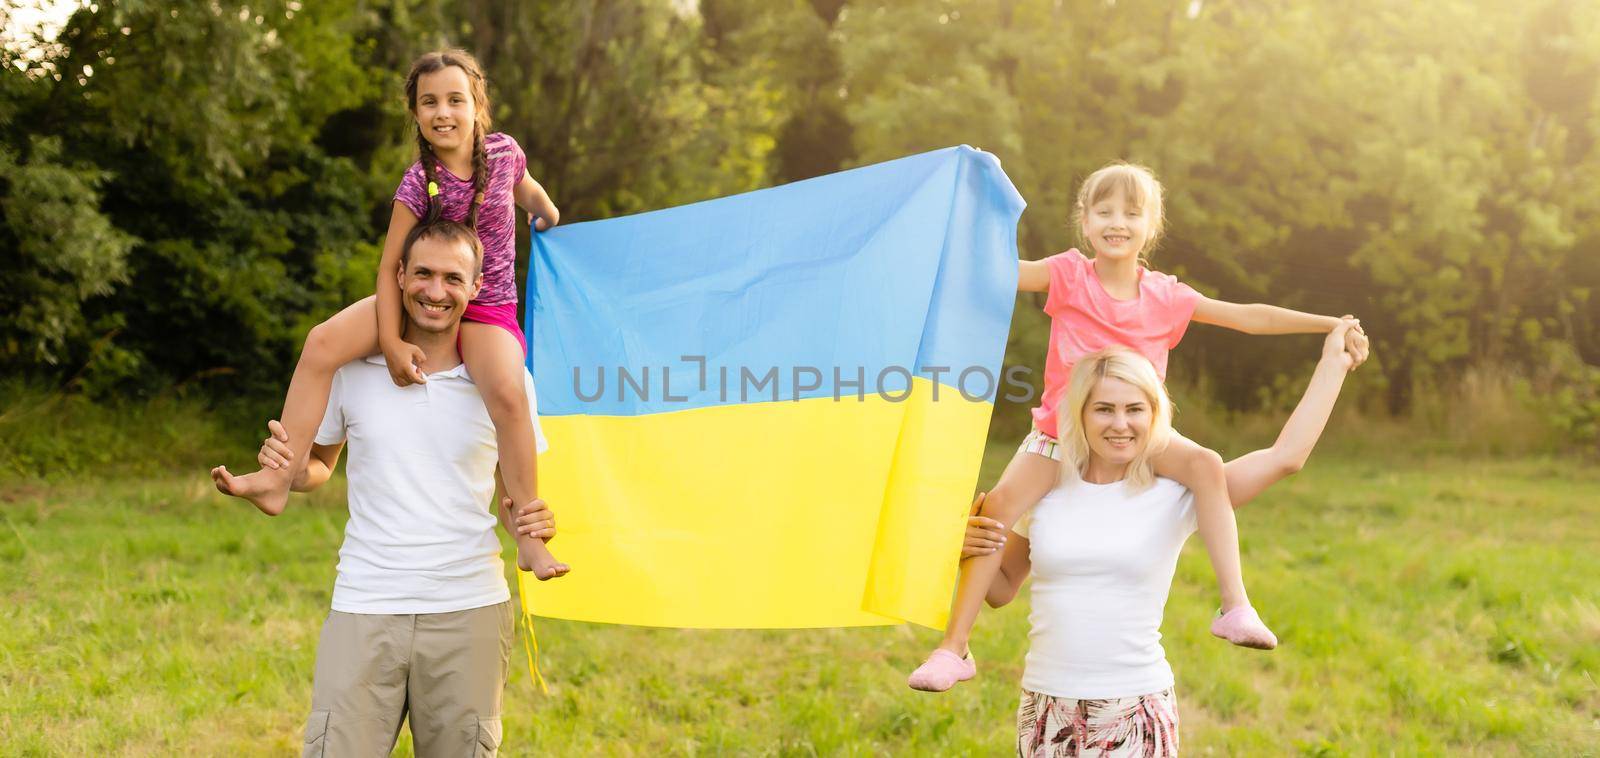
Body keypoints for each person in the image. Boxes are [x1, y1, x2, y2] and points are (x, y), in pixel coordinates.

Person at [909, 161, 1368, 692]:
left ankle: (1235, 604)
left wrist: (1328, 325)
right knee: (996, 509)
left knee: (1204, 464)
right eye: (1103, 211)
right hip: (1058, 435)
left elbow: (1248, 316)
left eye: (1131, 212)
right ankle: (954, 647)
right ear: (1084, 222)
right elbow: (994, 271)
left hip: (1145, 440)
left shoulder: (1167, 297)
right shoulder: (1067, 275)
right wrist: (949, 230)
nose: (1116, 222)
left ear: (1153, 225)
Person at [209, 48, 569, 580]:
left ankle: (530, 538)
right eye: (429, 103)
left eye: (454, 99)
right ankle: (276, 477)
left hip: (487, 304)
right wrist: (392, 340)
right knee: (321, 343)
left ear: (477, 105)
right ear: (417, 115)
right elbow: (388, 268)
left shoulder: (505, 154)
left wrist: (546, 216)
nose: (442, 112)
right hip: (413, 299)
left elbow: (530, 193)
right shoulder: (416, 182)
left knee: (510, 397)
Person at [214, 222, 556, 756]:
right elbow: (322, 467)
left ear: (474, 285)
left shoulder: (506, 381)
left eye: (451, 278)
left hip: (468, 609)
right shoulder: (351, 368)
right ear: (399, 275)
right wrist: (289, 467)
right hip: (366, 602)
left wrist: (533, 524)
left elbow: (512, 499)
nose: (435, 291)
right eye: (422, 273)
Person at [989, 329, 1361, 756]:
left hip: (1133, 708)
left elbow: (1285, 457)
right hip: (1044, 704)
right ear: (1081, 414)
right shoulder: (1046, 489)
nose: (1120, 424)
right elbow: (1000, 589)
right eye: (1104, 409)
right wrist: (963, 539)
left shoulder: (1175, 493)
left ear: (1154, 415)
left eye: (1135, 409)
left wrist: (1335, 364)